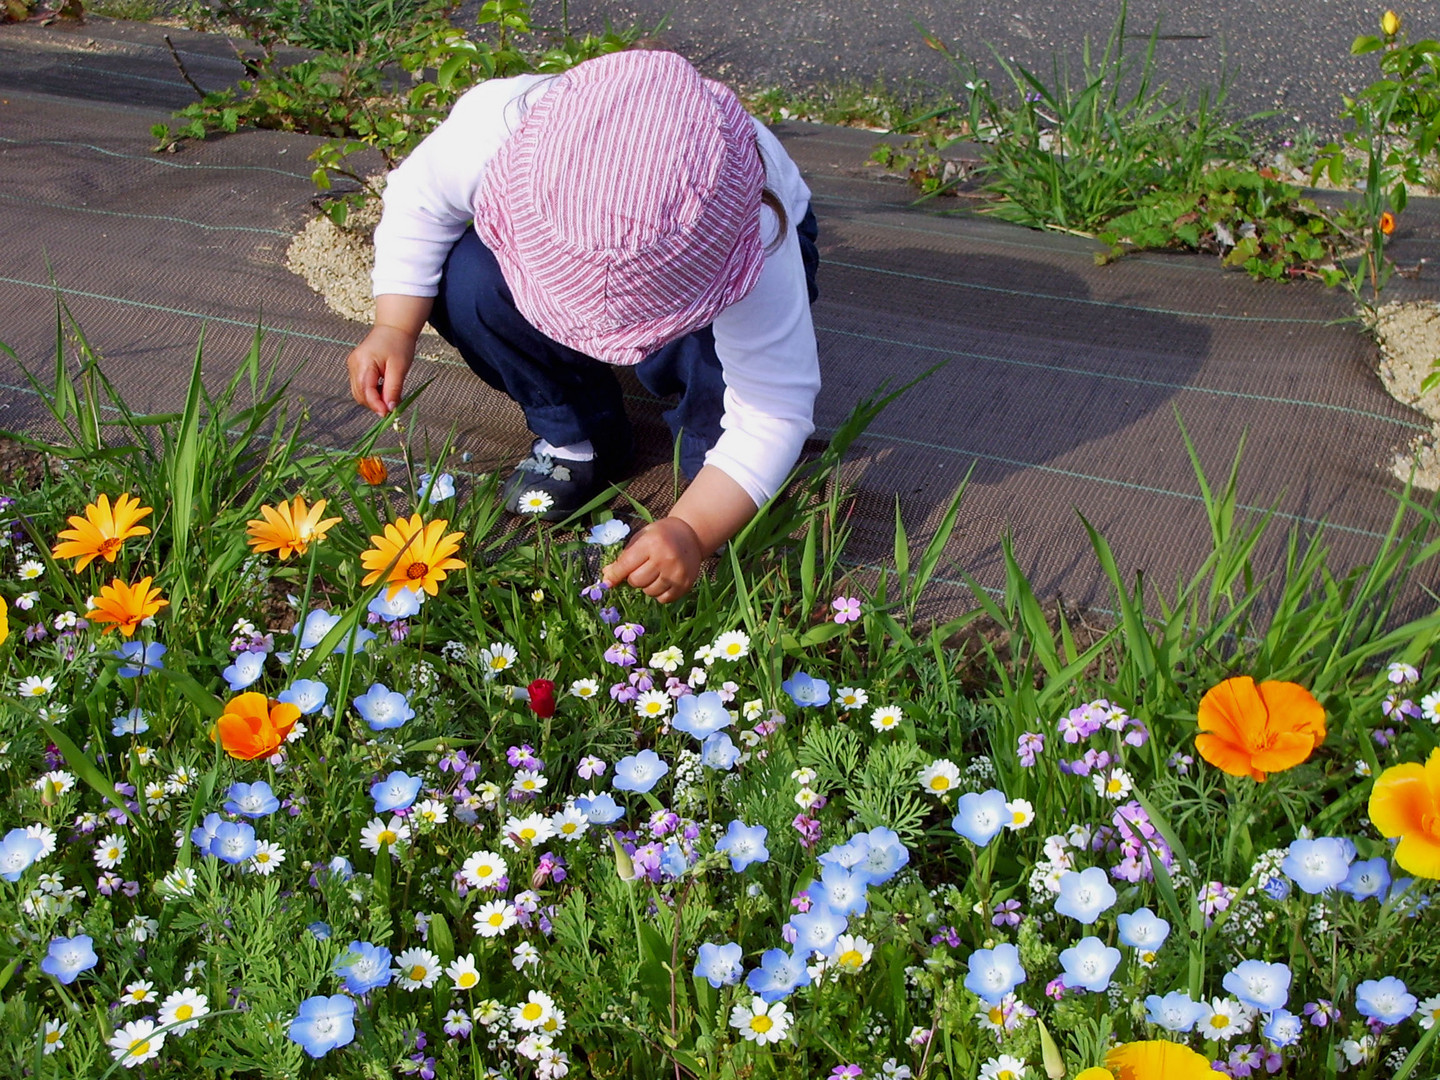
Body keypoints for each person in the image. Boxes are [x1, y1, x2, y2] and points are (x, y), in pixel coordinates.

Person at [346, 48, 820, 603]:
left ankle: (710, 450)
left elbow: (775, 407)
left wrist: (693, 527)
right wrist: (394, 327)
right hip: (624, 233)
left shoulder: (753, 232)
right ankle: (580, 431)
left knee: (728, 439)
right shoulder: (495, 131)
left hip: (714, 264)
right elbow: (418, 207)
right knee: (467, 283)